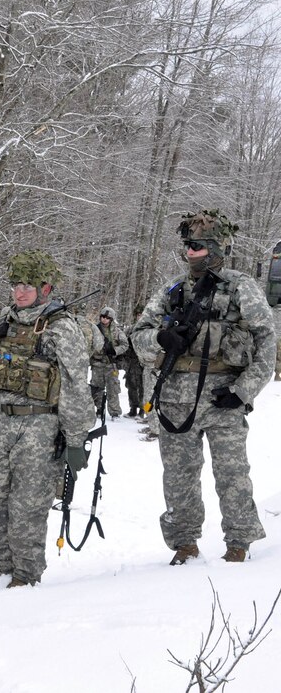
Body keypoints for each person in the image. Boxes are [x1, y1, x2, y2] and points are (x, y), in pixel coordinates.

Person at [130, 209, 275, 565]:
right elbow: (138, 336)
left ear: (213, 248)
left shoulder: (241, 287)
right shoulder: (173, 290)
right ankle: (184, 544)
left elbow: (267, 343)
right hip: (176, 401)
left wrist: (242, 391)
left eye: (195, 246)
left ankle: (239, 543)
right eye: (186, 246)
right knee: (179, 478)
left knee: (232, 475)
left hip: (223, 398)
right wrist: (162, 339)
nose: (188, 252)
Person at [0, 250, 92, 587]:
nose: (19, 292)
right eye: (15, 285)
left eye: (27, 286)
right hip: (1, 424)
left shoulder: (60, 328)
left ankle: (26, 576)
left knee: (27, 511)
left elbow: (76, 385)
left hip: (40, 428)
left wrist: (75, 440)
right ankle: (3, 569)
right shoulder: (3, 323)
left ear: (45, 288)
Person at [90, 307, 128, 418]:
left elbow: (125, 345)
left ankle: (115, 412)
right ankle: (99, 409)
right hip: (97, 364)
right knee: (97, 388)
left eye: (107, 318)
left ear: (111, 319)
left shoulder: (117, 331)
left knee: (113, 388)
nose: (104, 320)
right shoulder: (94, 329)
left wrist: (115, 350)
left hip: (111, 364)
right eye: (102, 317)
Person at [123, 304, 146, 417]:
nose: (140, 317)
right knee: (131, 386)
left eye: (142, 314)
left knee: (144, 388)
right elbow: (124, 345)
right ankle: (133, 408)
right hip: (132, 362)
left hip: (145, 363)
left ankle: (144, 410)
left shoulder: (150, 329)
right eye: (138, 314)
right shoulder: (130, 329)